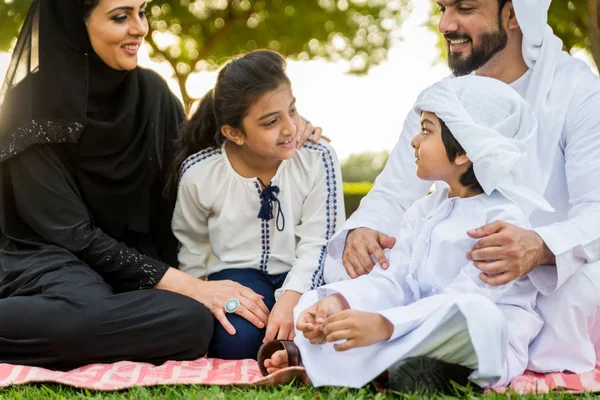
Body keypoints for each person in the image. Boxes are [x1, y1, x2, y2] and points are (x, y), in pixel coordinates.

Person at [0, 0, 322, 370]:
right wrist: (198, 288)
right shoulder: (31, 104)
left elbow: (208, 149)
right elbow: (74, 235)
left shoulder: (150, 93)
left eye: (142, 11)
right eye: (121, 17)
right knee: (89, 310)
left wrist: (288, 132)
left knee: (192, 321)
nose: (140, 27)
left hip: (133, 269)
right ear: (76, 23)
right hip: (50, 263)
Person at [321, 0, 600, 374]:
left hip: (548, 280)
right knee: (357, 271)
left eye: (465, 8)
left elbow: (596, 210)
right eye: (442, 8)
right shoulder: (440, 99)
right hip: (453, 271)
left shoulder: (579, 92)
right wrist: (365, 230)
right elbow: (392, 192)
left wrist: (540, 247)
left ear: (515, 14)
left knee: (574, 292)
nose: (444, 24)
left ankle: (414, 343)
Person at [261, 75, 551, 393]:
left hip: (478, 341)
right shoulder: (423, 210)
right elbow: (394, 280)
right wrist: (340, 304)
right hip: (408, 325)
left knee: (475, 314)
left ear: (465, 150)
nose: (414, 141)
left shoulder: (502, 220)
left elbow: (468, 298)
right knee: (317, 301)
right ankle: (383, 362)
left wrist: (386, 325)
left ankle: (359, 360)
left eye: (426, 130)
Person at [169, 50, 345, 360]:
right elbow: (191, 249)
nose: (290, 127)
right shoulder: (200, 172)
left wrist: (291, 300)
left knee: (319, 329)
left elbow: (320, 244)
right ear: (234, 133)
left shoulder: (318, 157)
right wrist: (199, 306)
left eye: (292, 110)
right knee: (236, 341)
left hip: (306, 272)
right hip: (238, 277)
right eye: (270, 122)